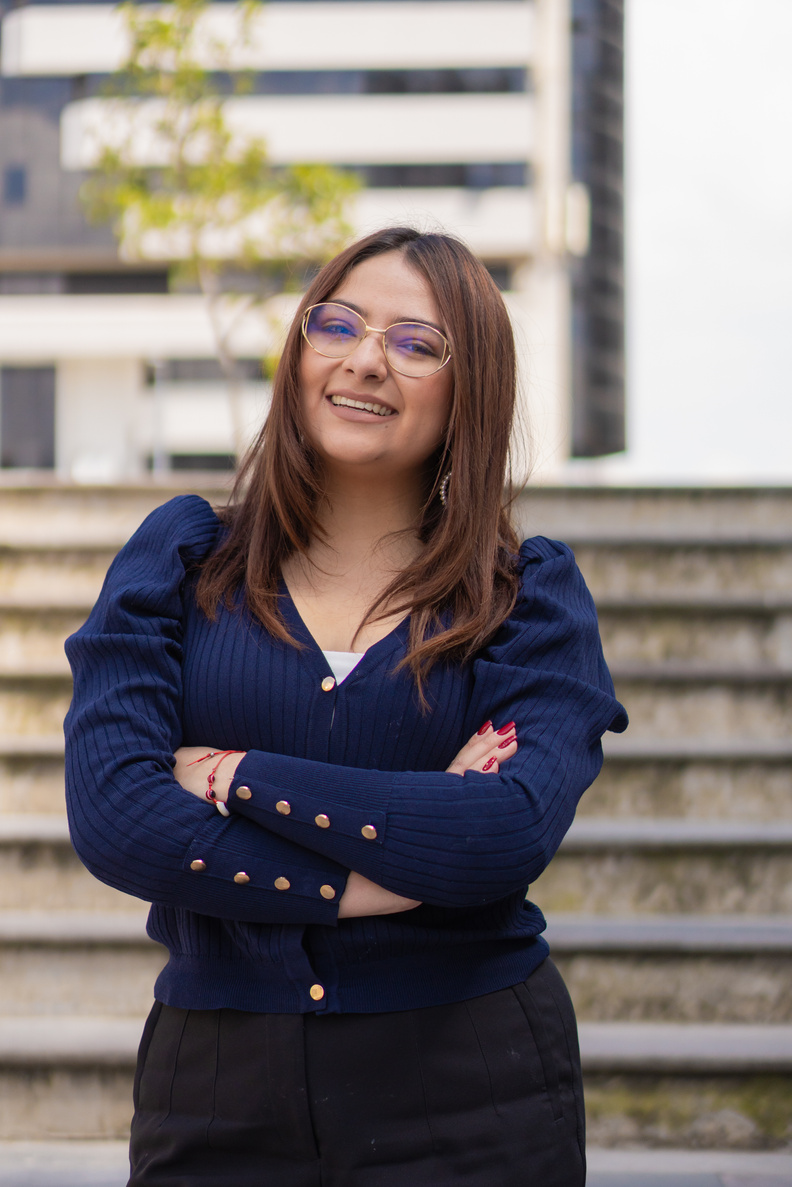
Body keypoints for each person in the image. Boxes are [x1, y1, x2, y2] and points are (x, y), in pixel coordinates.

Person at [65, 226, 627, 1186]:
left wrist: (235, 776)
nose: (368, 359)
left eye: (417, 343)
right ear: (299, 354)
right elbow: (118, 817)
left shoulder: (526, 596)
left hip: (472, 1088)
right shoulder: (181, 562)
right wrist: (370, 876)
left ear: (468, 391)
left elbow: (502, 830)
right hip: (216, 1085)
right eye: (341, 325)